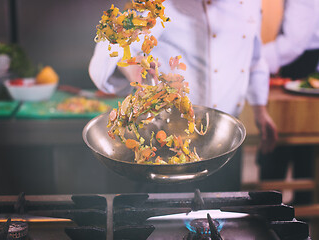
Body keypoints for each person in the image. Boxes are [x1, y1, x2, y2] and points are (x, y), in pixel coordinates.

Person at [89, 0, 278, 192]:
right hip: (162, 146)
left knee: (222, 215)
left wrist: (260, 110)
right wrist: (133, 67)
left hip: (224, 142)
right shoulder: (157, 3)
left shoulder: (251, 3)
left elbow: (253, 58)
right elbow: (108, 50)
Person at [259, 0, 319, 204]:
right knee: (305, 156)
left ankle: (271, 214)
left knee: (277, 147)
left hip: (300, 68)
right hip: (303, 67)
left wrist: (255, 60)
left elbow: (293, 44)